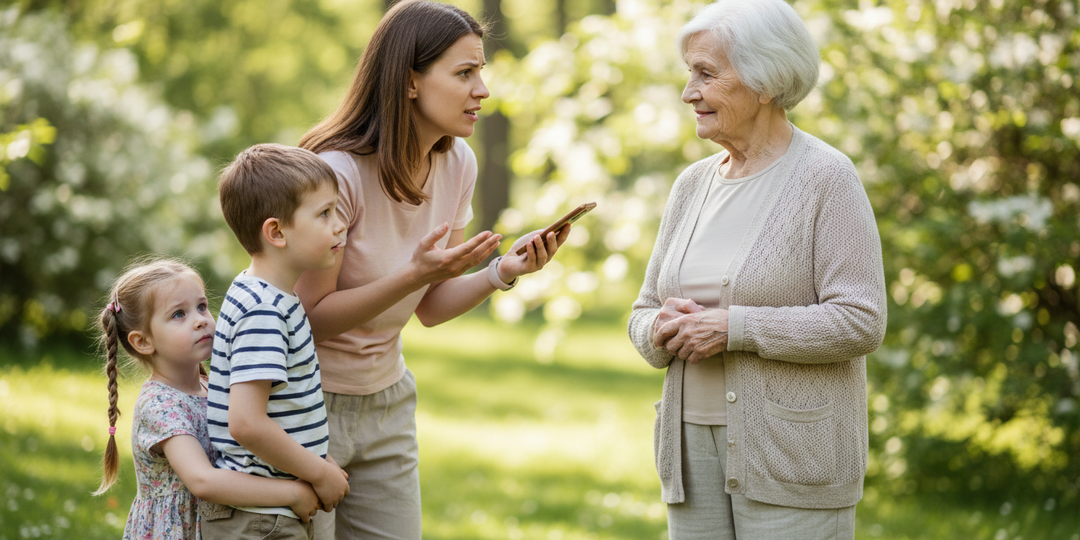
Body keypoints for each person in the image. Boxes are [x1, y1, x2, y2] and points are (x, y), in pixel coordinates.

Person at [296, 1, 569, 538]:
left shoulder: (456, 163)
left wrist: (502, 272)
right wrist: (414, 275)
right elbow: (309, 319)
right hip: (301, 405)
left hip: (387, 402)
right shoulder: (336, 172)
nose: (483, 89)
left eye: (481, 71)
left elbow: (430, 308)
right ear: (409, 82)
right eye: (465, 73)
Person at [627, 0, 888, 538]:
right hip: (690, 459)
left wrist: (735, 329)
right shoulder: (692, 185)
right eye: (689, 73)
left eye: (706, 73)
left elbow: (861, 320)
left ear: (764, 80)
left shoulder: (826, 178)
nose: (688, 92)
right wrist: (659, 328)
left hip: (794, 456)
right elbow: (643, 311)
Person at [94, 257, 321, 540]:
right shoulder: (160, 405)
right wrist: (292, 494)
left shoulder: (211, 385)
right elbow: (202, 481)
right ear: (143, 341)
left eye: (201, 306)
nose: (201, 320)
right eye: (179, 314)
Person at [201, 144, 351, 539]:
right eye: (325, 213)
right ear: (276, 232)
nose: (340, 224)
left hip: (267, 514)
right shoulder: (265, 311)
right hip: (259, 521)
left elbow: (284, 408)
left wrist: (319, 457)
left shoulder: (264, 294)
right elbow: (247, 423)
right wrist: (318, 471)